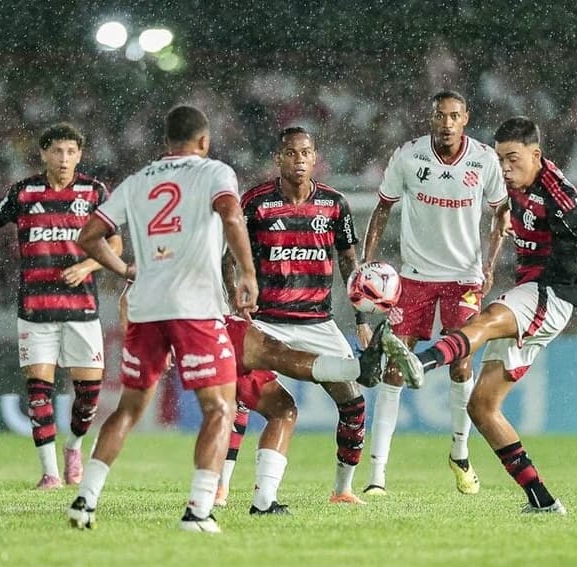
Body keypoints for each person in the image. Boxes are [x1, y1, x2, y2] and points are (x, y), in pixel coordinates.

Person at [395, 116, 577, 514]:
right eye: (500, 159)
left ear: (536, 154)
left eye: (513, 158)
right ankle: (542, 501)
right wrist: (494, 255)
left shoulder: (556, 194)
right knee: (481, 406)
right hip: (531, 292)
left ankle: (422, 362)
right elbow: (499, 213)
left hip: (551, 293)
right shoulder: (512, 184)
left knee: (484, 320)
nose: (505, 168)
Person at [66, 105, 259, 533]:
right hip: (195, 307)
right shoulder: (215, 172)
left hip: (146, 306)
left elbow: (88, 236)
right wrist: (247, 272)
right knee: (220, 408)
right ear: (204, 141)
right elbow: (231, 215)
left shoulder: (138, 181)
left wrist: (124, 269)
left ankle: (85, 499)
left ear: (166, 141)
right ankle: (198, 510)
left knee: (128, 409)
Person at [119, 285, 424, 515]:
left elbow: (131, 291)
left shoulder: (184, 243)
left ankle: (246, 498)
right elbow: (132, 291)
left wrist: (145, 340)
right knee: (274, 361)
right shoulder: (202, 240)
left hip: (215, 331)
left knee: (278, 409)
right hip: (217, 332)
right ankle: (358, 368)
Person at [0, 123, 120, 490]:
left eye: (70, 152)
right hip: (35, 308)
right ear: (43, 154)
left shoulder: (95, 192)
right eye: (57, 151)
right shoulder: (24, 192)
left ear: (79, 155)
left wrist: (87, 265)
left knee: (88, 398)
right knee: (38, 391)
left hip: (81, 307)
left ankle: (74, 446)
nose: (63, 158)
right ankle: (49, 473)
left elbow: (116, 244)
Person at [361, 90, 508, 496]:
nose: (447, 123)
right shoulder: (408, 156)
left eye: (454, 116)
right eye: (440, 116)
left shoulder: (484, 159)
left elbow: (501, 212)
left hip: (464, 278)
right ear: (431, 118)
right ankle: (376, 476)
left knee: (461, 364)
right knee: (394, 369)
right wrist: (367, 262)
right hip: (415, 277)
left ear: (466, 118)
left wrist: (491, 264)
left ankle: (460, 453)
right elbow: (383, 208)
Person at [220, 126, 374, 506]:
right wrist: (234, 303)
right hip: (266, 320)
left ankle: (342, 489)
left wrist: (361, 319)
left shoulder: (335, 204)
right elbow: (229, 258)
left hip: (318, 322)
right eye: (291, 153)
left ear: (315, 157)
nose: (299, 160)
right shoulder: (256, 202)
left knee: (353, 403)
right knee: (241, 399)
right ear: (278, 159)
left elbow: (349, 264)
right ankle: (221, 486)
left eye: (305, 153)